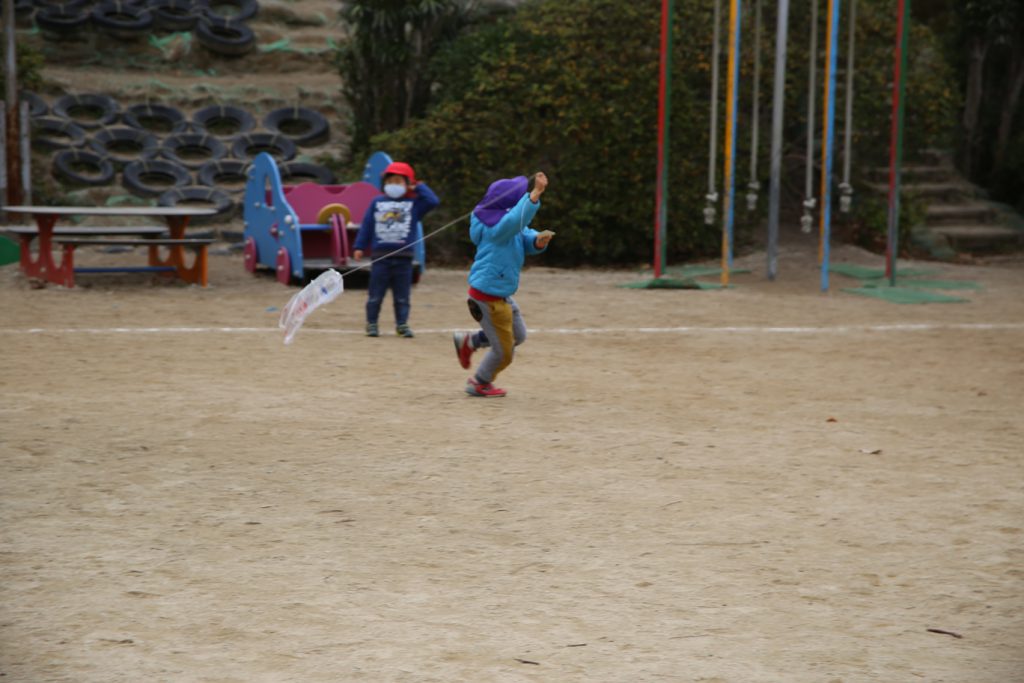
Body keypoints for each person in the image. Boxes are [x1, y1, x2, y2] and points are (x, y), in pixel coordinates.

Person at [453, 172, 553, 397]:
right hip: (486, 297)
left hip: (501, 294)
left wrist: (537, 241)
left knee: (519, 335)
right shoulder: (494, 226)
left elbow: (522, 233)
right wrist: (535, 195)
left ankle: (471, 341)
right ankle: (480, 381)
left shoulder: (507, 223)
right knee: (504, 352)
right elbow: (513, 223)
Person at [353, 161, 440, 338]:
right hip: (380, 258)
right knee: (375, 294)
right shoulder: (377, 202)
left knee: (402, 296)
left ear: (408, 184)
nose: (393, 185)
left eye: (398, 181)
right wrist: (359, 246)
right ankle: (372, 323)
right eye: (390, 181)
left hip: (404, 258)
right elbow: (367, 225)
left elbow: (433, 201)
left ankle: (402, 324)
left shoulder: (414, 204)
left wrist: (418, 186)